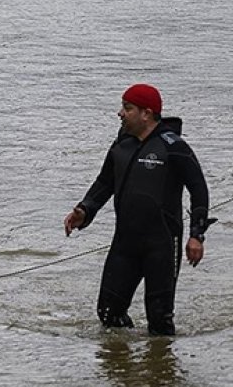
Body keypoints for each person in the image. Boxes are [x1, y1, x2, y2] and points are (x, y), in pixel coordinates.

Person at [63, 84, 214, 336]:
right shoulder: (122, 145)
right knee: (108, 314)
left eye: (127, 108)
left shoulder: (173, 146)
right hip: (125, 244)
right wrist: (84, 210)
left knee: (159, 322)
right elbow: (104, 183)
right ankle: (128, 368)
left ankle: (161, 372)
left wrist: (196, 235)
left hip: (163, 244)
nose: (120, 113)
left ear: (147, 113)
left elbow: (199, 189)